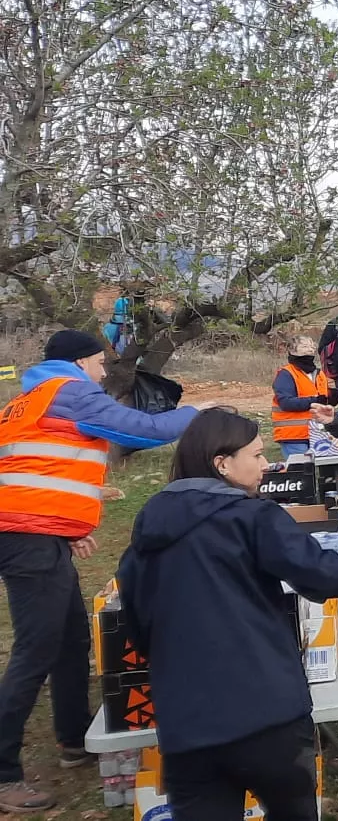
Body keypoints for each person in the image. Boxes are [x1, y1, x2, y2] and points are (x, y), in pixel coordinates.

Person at [115, 410, 338, 820]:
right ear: (221, 464)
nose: (266, 465)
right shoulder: (251, 517)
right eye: (257, 456)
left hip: (187, 725)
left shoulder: (149, 528)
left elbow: (134, 624)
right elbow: (315, 571)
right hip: (266, 714)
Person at [0, 330, 206, 813]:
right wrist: (198, 413)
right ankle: (4, 772)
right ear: (79, 362)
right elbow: (141, 430)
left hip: (32, 532)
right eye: (98, 363)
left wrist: (63, 526)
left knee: (70, 638)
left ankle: (74, 738)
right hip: (27, 539)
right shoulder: (69, 392)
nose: (102, 373)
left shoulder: (26, 401)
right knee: (36, 648)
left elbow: (34, 472)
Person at [272, 336, 330, 459]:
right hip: (293, 435)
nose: (309, 350)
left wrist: (333, 397)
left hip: (318, 433)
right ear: (292, 350)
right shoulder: (286, 374)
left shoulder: (319, 374)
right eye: (304, 346)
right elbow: (285, 402)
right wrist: (314, 401)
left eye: (311, 346)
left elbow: (324, 398)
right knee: (302, 472)